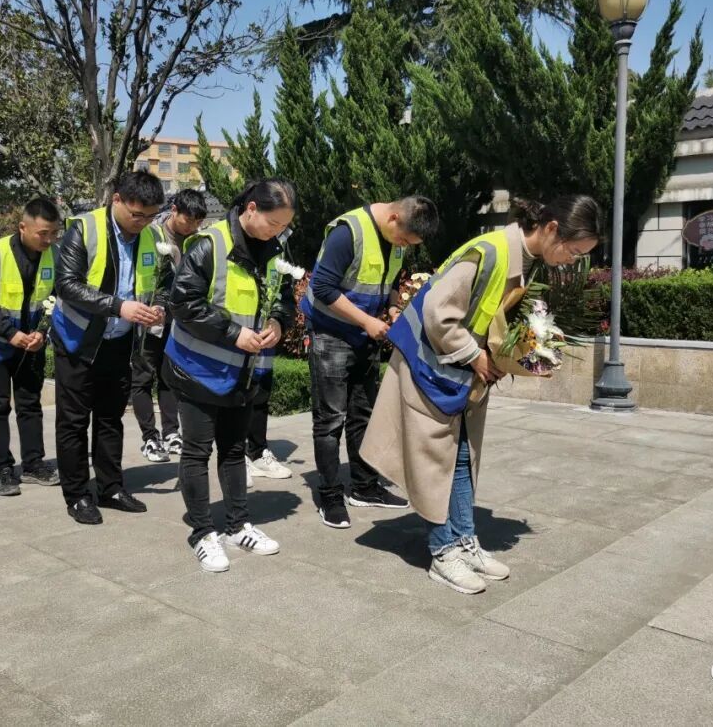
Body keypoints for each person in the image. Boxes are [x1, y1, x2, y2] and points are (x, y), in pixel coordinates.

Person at [362, 195, 602, 594]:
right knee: (434, 463)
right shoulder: (490, 252)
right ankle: (443, 553)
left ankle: (463, 540)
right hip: (429, 368)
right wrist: (475, 356)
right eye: (574, 251)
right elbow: (438, 311)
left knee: (460, 457)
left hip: (453, 374)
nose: (570, 261)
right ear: (551, 229)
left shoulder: (525, 260)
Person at [162, 178, 297, 572]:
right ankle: (202, 532)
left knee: (235, 450)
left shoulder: (274, 250)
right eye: (273, 223)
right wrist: (234, 333)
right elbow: (183, 303)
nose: (278, 232)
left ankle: (238, 525)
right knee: (197, 451)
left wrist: (278, 323)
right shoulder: (209, 245)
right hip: (197, 368)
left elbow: (284, 299)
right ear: (251, 209)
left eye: (284, 226)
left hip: (242, 372)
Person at [300, 196, 439, 528]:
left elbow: (388, 283)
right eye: (404, 240)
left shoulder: (396, 239)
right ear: (393, 218)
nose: (404, 246)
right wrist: (366, 321)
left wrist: (392, 307)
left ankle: (364, 487)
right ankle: (330, 496)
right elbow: (322, 288)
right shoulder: (348, 233)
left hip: (366, 336)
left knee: (363, 415)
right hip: (331, 334)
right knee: (330, 420)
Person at [51, 172, 166, 524]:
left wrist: (159, 305)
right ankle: (76, 495)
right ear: (117, 200)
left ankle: (111, 487)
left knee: (110, 418)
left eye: (151, 216)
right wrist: (119, 307)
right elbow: (66, 284)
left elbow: (163, 282)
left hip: (120, 341)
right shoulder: (83, 229)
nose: (143, 223)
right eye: (137, 214)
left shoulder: (152, 236)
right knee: (73, 422)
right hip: (79, 342)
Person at [0, 198, 62, 496]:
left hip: (31, 343)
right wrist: (11, 334)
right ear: (23, 227)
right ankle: (2, 470)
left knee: (30, 403)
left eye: (54, 233)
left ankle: (33, 464)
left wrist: (42, 332)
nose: (49, 240)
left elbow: (56, 299)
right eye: (43, 233)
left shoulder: (55, 255)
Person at [131, 188, 208, 464]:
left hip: (180, 321)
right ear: (174, 210)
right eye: (188, 220)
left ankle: (171, 432)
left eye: (197, 221)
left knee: (169, 376)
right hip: (149, 316)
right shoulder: (151, 235)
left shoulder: (199, 240)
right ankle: (150, 438)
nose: (192, 226)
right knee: (143, 376)